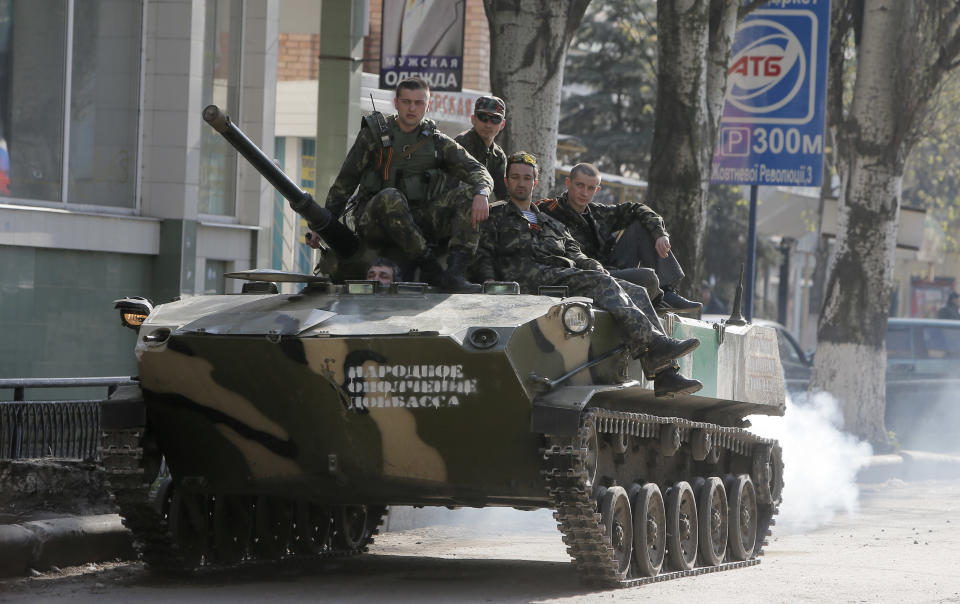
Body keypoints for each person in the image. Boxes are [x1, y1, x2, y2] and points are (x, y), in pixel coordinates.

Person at [474, 152, 702, 397]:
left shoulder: (550, 223)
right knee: (601, 282)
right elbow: (483, 255)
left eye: (527, 178)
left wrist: (602, 271)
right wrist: (492, 288)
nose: (521, 183)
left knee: (634, 289)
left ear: (535, 183)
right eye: (516, 177)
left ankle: (665, 374)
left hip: (561, 276)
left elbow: (578, 255)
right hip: (529, 281)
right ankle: (655, 343)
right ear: (507, 181)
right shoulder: (496, 216)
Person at [316, 76, 494, 292]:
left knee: (469, 194)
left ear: (428, 104)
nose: (412, 108)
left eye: (419, 103)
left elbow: (478, 170)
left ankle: (455, 273)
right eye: (406, 102)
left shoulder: (437, 142)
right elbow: (345, 183)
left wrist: (482, 193)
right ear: (396, 103)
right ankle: (429, 266)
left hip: (417, 220)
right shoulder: (373, 136)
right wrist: (324, 225)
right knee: (391, 196)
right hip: (375, 220)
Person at [538, 163, 701, 313]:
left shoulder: (598, 213)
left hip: (609, 272)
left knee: (640, 226)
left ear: (597, 191)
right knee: (647, 277)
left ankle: (666, 292)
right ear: (568, 183)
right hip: (581, 278)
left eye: (590, 188)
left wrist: (660, 234)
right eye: (579, 185)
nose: (584, 193)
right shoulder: (550, 211)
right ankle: (656, 298)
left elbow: (637, 208)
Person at [454, 96, 508, 202]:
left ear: (502, 124)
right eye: (483, 117)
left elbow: (504, 193)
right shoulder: (461, 144)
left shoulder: (498, 155)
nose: (488, 124)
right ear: (473, 119)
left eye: (495, 119)